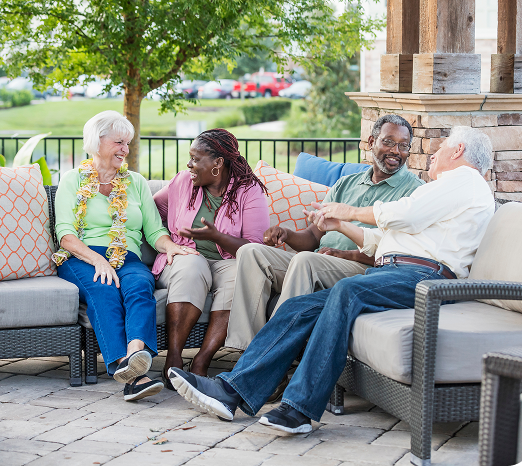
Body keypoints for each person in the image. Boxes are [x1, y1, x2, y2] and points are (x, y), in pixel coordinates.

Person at [168, 125, 495, 434]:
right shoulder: (448, 195)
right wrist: (340, 224)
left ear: (459, 150)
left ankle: (299, 410)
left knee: (347, 292)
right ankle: (232, 390)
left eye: (440, 148)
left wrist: (349, 211)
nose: (433, 155)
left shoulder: (465, 179)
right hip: (398, 271)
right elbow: (385, 242)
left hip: (427, 279)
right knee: (300, 307)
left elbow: (403, 214)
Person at [225, 114, 425, 352]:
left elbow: (403, 254)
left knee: (306, 261)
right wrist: (286, 234)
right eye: (388, 142)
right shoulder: (346, 184)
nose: (396, 151)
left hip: (364, 270)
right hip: (319, 260)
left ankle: (274, 353)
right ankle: (244, 351)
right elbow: (311, 238)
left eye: (403, 146)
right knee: (252, 253)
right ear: (371, 141)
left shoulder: (415, 192)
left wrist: (348, 255)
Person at [54, 110, 193, 402]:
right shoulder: (72, 180)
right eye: (119, 142)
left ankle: (133, 357)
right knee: (103, 290)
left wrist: (171, 247)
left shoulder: (136, 182)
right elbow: (65, 234)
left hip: (127, 255)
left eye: (128, 144)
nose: (125, 150)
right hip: (82, 256)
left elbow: (154, 231)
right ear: (97, 141)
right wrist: (98, 259)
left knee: (140, 287)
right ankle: (133, 374)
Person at [152, 129, 269, 387]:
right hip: (186, 255)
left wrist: (217, 237)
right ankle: (173, 360)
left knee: (241, 273)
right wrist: (168, 242)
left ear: (218, 163)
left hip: (228, 260)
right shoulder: (183, 182)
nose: (189, 164)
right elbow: (152, 212)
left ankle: (202, 362)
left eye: (196, 158)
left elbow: (254, 249)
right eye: (190, 157)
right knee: (192, 265)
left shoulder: (248, 191)